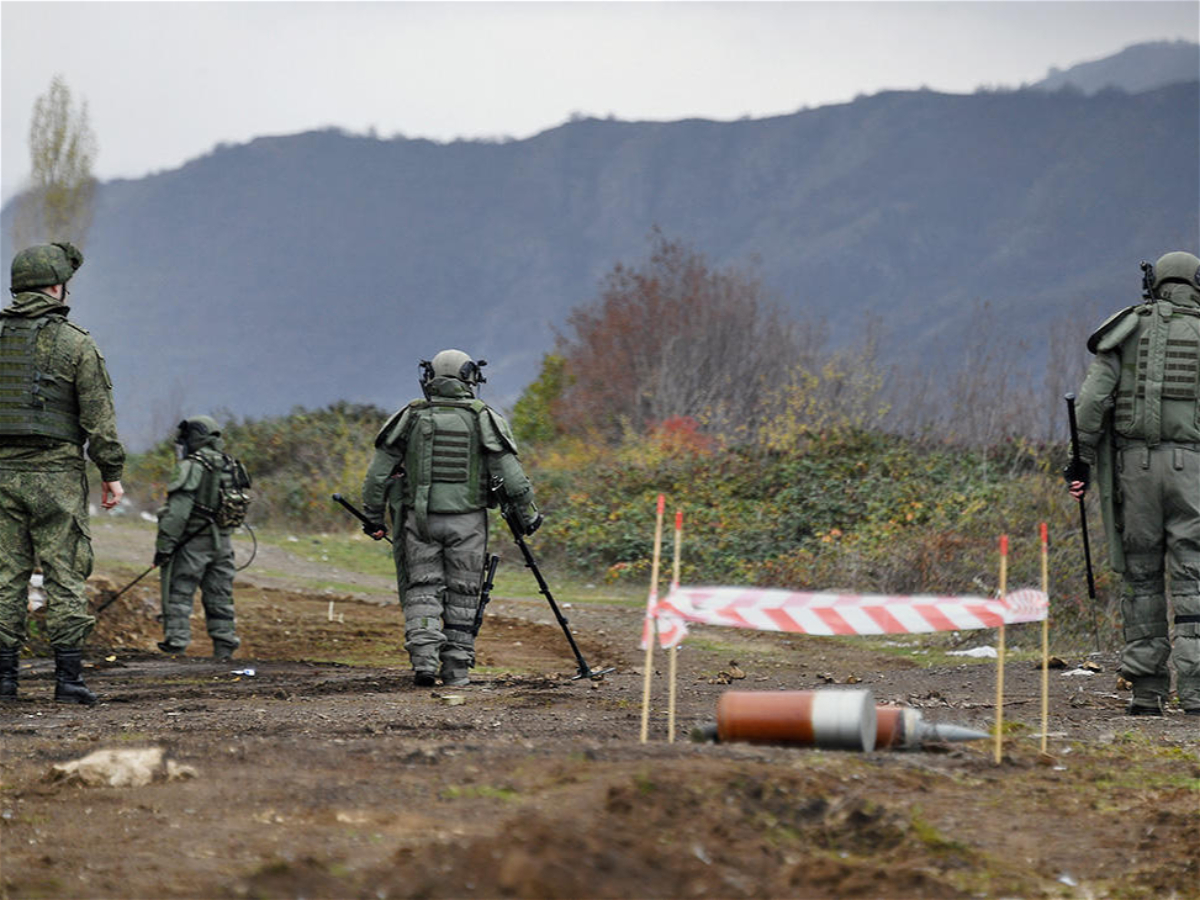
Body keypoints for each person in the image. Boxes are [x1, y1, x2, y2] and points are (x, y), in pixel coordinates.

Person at [1067, 251, 1200, 716]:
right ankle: (1198, 693)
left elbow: (1090, 404)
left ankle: (1146, 692)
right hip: (1194, 473)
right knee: (1194, 579)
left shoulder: (1124, 330)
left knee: (1141, 579)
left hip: (1134, 472)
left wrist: (1079, 465)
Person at [361, 349, 541, 687]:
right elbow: (514, 480)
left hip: (419, 521)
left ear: (431, 378)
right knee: (463, 593)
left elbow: (376, 477)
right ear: (469, 377)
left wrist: (374, 517)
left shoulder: (410, 417)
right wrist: (529, 516)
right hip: (468, 523)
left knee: (422, 589)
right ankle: (456, 671)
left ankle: (424, 663)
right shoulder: (482, 417)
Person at [0, 242, 125, 705]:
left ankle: (5, 681)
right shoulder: (76, 343)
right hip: (58, 477)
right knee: (65, 573)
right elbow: (98, 417)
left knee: (4, 575)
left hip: (1, 476)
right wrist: (111, 472)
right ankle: (68, 680)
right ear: (57, 287)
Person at [155, 415, 251, 660]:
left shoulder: (192, 466)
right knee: (220, 595)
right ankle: (224, 647)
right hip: (224, 542)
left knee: (179, 593)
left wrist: (165, 546)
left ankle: (176, 646)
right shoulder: (231, 464)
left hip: (193, 543)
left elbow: (177, 512)